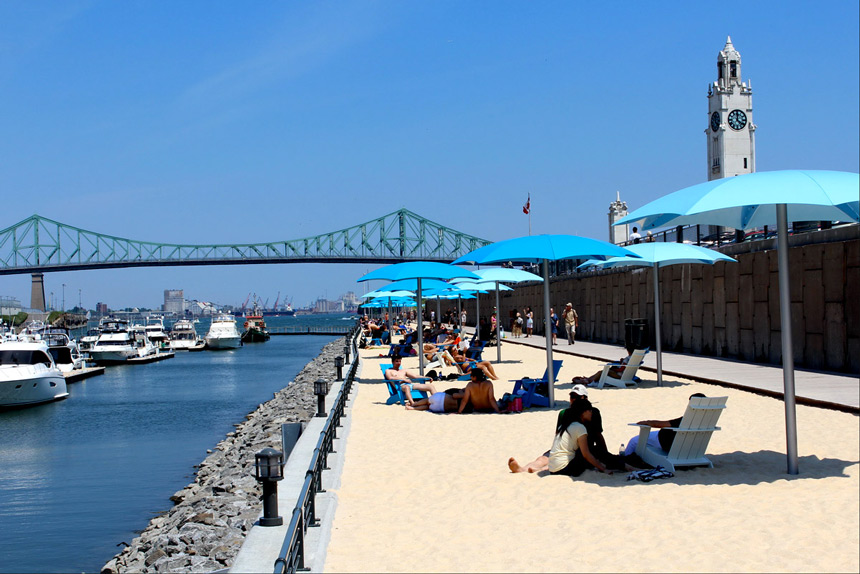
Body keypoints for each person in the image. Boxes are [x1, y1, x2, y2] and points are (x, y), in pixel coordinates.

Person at [508, 385, 607, 473]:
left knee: (561, 461)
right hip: (565, 449)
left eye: (577, 397)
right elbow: (558, 436)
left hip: (583, 449)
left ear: (585, 398)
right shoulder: (563, 413)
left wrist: (605, 453)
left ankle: (541, 469)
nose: (573, 399)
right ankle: (522, 468)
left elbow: (598, 435)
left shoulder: (593, 413)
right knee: (544, 458)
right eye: (572, 396)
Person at [624, 393, 707, 456]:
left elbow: (663, 424)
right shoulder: (707, 420)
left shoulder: (687, 419)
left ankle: (625, 460)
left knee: (634, 441)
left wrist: (648, 422)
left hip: (666, 442)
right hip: (690, 449)